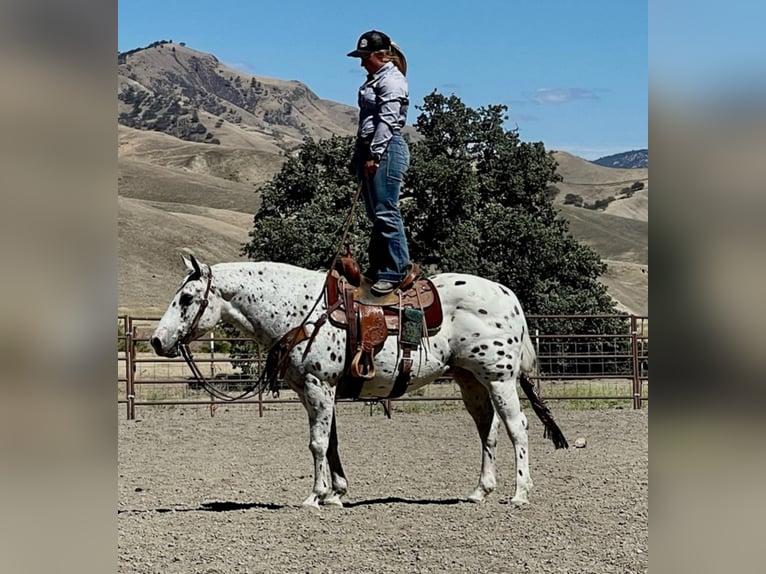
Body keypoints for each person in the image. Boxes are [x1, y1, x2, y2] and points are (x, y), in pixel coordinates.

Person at [347, 30, 411, 296]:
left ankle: (396, 270)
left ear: (381, 55)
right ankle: (379, 266)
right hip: (372, 148)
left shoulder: (392, 82)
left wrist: (374, 153)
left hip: (385, 148)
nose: (362, 62)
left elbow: (387, 120)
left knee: (385, 210)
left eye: (366, 57)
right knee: (376, 214)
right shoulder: (375, 80)